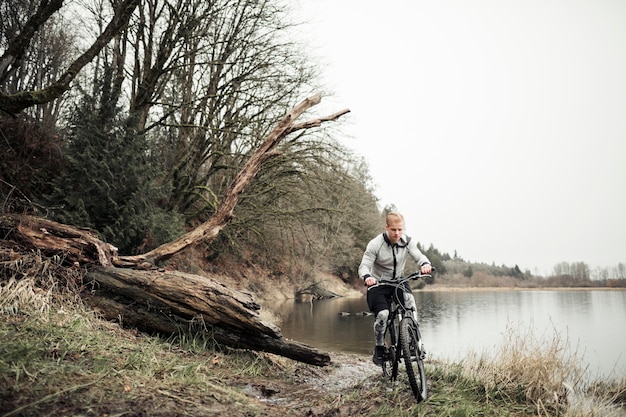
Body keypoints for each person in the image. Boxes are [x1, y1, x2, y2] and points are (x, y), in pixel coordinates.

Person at [358, 211, 432, 365]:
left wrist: (425, 264)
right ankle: (379, 347)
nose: (397, 233)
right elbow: (364, 266)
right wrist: (367, 277)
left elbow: (419, 256)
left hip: (399, 281)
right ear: (387, 227)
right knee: (383, 315)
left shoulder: (407, 242)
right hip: (378, 284)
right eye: (393, 229)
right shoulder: (375, 244)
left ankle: (416, 343)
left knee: (410, 303)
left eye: (400, 229)